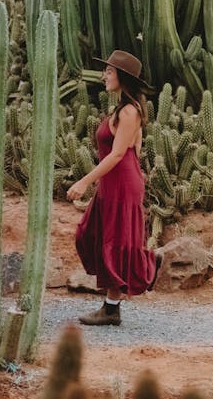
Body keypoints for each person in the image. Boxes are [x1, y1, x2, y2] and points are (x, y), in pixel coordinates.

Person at [66, 50, 161, 326]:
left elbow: (120, 154)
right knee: (92, 234)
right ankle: (117, 298)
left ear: (123, 77)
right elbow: (136, 148)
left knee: (115, 241)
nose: (104, 76)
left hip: (121, 182)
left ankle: (113, 305)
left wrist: (85, 181)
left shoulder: (130, 111)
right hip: (114, 181)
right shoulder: (121, 109)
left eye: (109, 71)